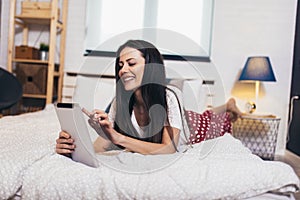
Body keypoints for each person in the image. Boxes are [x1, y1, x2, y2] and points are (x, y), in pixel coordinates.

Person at [55, 39, 243, 156]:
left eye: (131, 63)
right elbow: (101, 146)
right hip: (178, 119)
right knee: (201, 114)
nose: (123, 70)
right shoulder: (118, 103)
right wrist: (72, 147)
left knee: (205, 118)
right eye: (120, 65)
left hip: (190, 127)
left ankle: (228, 106)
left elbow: (168, 149)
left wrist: (119, 138)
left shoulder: (169, 96)